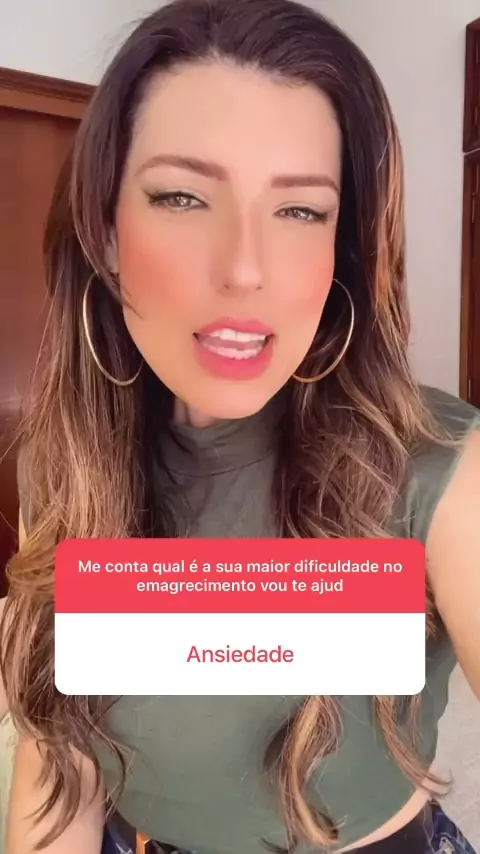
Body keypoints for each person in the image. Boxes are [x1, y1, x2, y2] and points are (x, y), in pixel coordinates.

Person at [1, 0, 479, 852]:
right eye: (183, 196)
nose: (245, 269)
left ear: (342, 249)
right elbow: (60, 755)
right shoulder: (63, 465)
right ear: (105, 233)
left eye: (300, 211)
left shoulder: (440, 466)